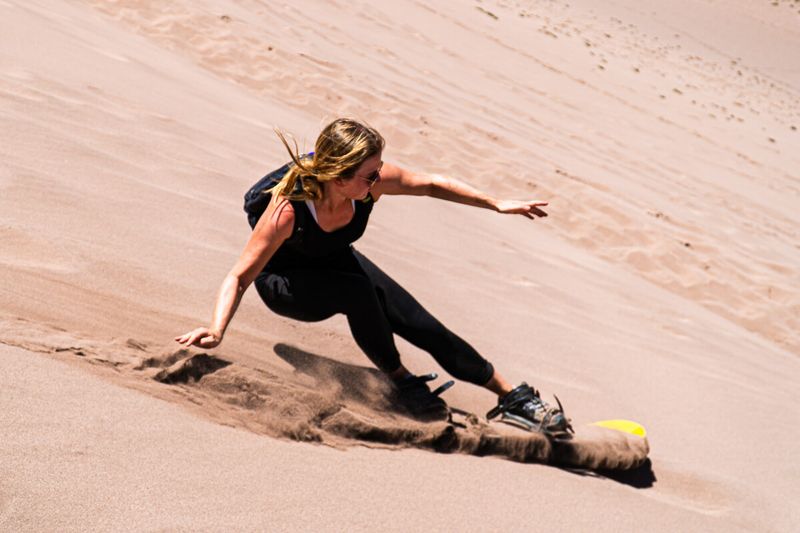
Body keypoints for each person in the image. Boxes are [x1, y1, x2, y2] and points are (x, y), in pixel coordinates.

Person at [175, 118, 569, 433]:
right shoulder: (287, 211)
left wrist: (495, 203)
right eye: (369, 174)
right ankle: (401, 380)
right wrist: (216, 328)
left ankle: (510, 395)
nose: (377, 179)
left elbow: (430, 184)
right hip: (286, 286)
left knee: (416, 319)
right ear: (337, 176)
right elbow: (240, 277)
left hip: (332, 259)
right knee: (357, 291)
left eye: (378, 169)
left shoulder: (366, 187)